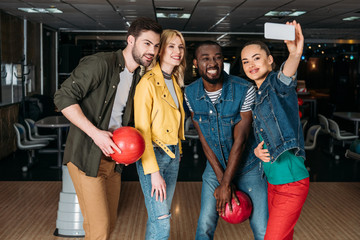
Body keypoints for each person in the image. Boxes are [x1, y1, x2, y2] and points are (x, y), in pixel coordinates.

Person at [54, 17, 162, 240]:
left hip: (113, 160)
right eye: (147, 43)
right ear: (131, 40)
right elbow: (62, 97)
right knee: (99, 229)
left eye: (156, 45)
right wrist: (95, 133)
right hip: (87, 157)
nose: (152, 50)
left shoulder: (138, 75)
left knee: (109, 224)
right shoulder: (100, 64)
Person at [184, 41, 268, 240]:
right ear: (196, 63)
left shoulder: (244, 89)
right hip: (215, 169)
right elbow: (203, 139)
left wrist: (227, 183)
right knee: (205, 225)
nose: (213, 63)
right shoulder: (190, 93)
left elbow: (242, 139)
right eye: (206, 58)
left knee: (262, 229)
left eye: (217, 57)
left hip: (249, 167)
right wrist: (222, 182)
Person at [240, 20, 309, 240]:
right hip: (273, 183)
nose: (251, 64)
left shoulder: (276, 87)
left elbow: (286, 76)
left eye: (256, 58)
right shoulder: (256, 97)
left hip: (291, 182)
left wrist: (295, 54)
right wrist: (256, 152)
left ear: (270, 61)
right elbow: (263, 136)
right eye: (245, 61)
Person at [134, 29, 186, 239]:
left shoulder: (174, 81)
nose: (177, 51)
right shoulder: (147, 83)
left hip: (173, 155)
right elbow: (142, 130)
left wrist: (179, 149)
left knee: (158, 218)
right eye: (171, 46)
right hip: (154, 157)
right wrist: (153, 172)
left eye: (180, 47)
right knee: (162, 221)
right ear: (160, 50)